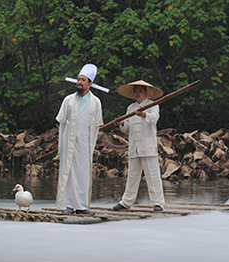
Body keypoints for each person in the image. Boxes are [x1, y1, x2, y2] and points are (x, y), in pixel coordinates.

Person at [56, 64, 103, 215]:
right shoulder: (68, 100)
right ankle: (69, 205)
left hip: (85, 143)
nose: (79, 82)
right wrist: (61, 145)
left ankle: (82, 206)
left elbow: (96, 126)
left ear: (90, 83)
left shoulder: (96, 102)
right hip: (68, 142)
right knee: (68, 172)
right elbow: (62, 124)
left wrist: (91, 145)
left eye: (83, 80)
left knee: (83, 174)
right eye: (78, 79)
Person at [112, 80, 165, 212]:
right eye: (135, 91)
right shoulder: (130, 108)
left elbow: (153, 119)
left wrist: (143, 114)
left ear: (146, 92)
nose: (137, 93)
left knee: (153, 175)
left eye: (140, 91)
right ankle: (126, 202)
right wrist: (122, 123)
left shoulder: (153, 105)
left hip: (147, 146)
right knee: (132, 176)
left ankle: (158, 203)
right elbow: (127, 128)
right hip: (134, 147)